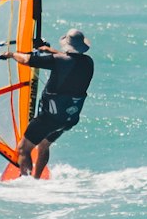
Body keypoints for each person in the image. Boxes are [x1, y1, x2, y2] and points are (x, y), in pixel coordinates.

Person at [10, 28, 94, 177]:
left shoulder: (59, 61)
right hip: (69, 118)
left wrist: (12, 54)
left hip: (49, 118)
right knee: (43, 145)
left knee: (24, 149)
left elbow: (25, 60)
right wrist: (48, 50)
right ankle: (36, 179)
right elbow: (67, 60)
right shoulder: (88, 62)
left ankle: (26, 183)